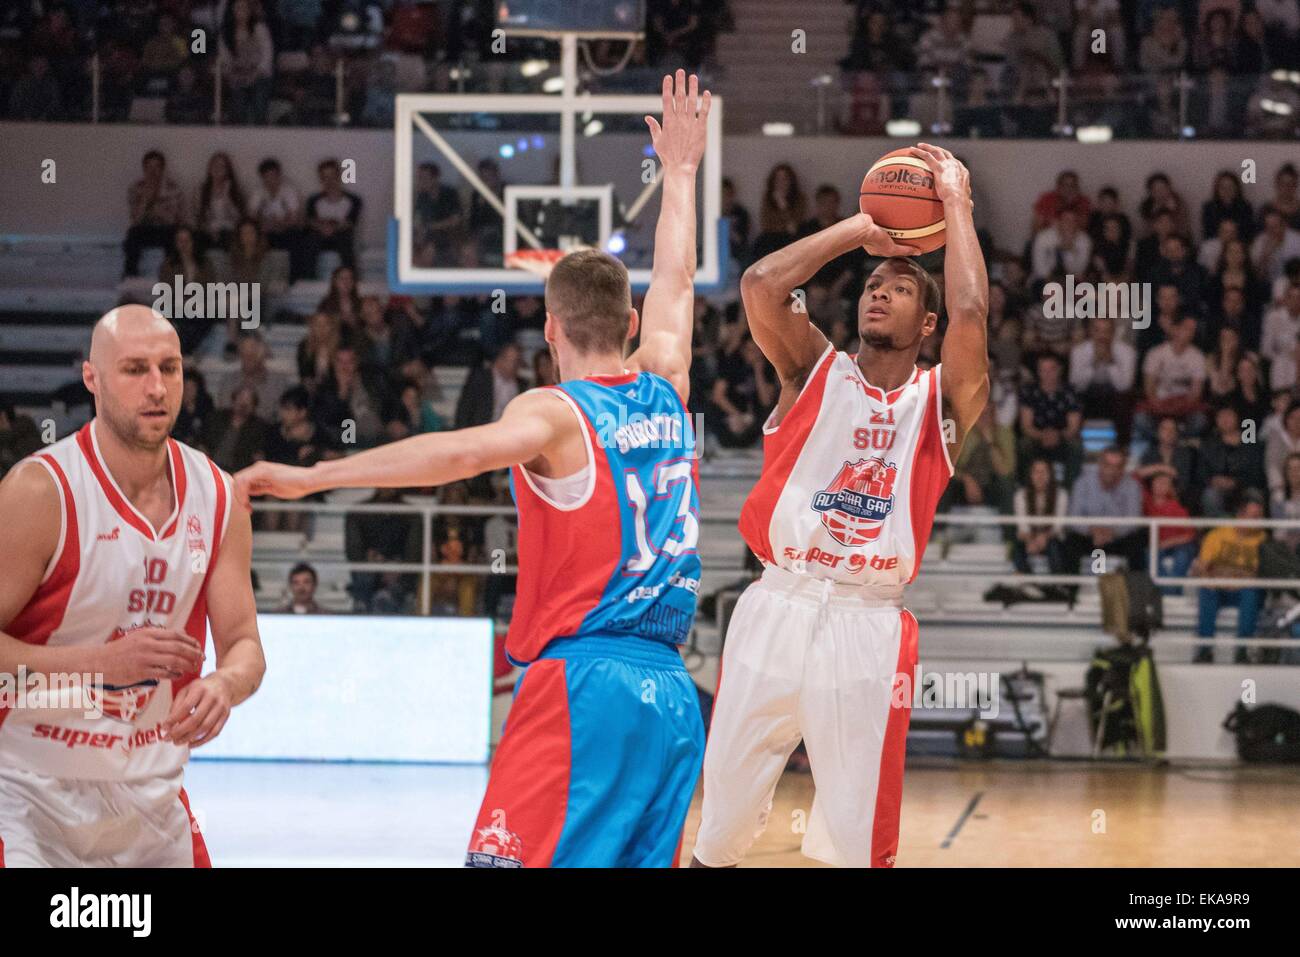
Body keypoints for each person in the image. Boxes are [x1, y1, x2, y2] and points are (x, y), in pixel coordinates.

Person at [236, 71, 711, 868]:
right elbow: (676, 277)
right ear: (627, 324)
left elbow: (453, 454)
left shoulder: (553, 414)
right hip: (671, 697)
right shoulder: (668, 379)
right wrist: (684, 174)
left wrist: (314, 475)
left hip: (582, 685)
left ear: (550, 328)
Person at [693, 143, 987, 869]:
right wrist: (861, 229)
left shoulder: (940, 400)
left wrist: (956, 206)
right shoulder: (813, 368)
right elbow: (761, 283)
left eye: (901, 289)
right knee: (718, 825)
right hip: (776, 602)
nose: (878, 293)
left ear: (927, 325)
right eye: (872, 285)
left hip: (868, 623)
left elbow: (973, 310)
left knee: (857, 844)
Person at [0, 306, 264, 866]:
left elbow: (244, 644)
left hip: (151, 796)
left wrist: (225, 686)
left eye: (169, 369)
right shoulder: (40, 491)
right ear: (91, 378)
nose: (156, 387)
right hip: (27, 791)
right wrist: (101, 664)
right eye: (135, 369)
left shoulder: (217, 496)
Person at [1193, 489, 1268, 664]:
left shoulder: (1264, 540)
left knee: (1251, 592)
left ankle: (1242, 649)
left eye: (1259, 517)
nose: (1258, 522)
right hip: (1219, 587)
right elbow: (1201, 566)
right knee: (1206, 589)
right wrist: (1211, 578)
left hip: (1244, 589)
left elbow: (1260, 573)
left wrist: (1239, 579)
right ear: (1241, 515)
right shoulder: (1218, 534)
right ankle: (1205, 649)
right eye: (1253, 517)